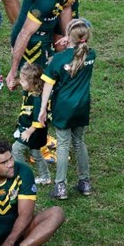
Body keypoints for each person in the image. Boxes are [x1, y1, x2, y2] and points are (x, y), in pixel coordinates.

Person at [5, 0, 95, 90]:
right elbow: (25, 33)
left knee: (51, 81)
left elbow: (65, 7)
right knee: (36, 88)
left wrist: (68, 36)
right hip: (32, 41)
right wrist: (13, 70)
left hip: (46, 33)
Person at [38, 19, 96, 200]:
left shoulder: (58, 59)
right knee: (79, 141)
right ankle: (85, 182)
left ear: (68, 36)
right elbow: (79, 47)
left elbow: (47, 86)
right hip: (82, 105)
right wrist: (70, 41)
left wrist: (42, 110)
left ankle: (60, 186)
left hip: (63, 107)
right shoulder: (91, 55)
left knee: (63, 145)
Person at [12, 63, 51, 185]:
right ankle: (45, 177)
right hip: (26, 128)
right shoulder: (29, 90)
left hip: (33, 132)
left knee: (16, 150)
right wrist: (17, 82)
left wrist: (29, 131)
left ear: (33, 83)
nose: (21, 82)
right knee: (35, 153)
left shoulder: (38, 99)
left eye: (23, 81)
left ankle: (24, 177)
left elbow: (38, 119)